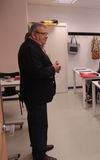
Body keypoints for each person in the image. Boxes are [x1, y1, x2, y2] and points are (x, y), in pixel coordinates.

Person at [18, 23, 61, 160]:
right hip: (34, 94)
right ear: (34, 34)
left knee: (37, 123)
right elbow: (37, 72)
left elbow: (38, 68)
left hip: (36, 94)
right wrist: (53, 68)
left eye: (47, 34)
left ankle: (39, 145)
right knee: (39, 124)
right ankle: (39, 154)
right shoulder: (30, 48)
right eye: (43, 33)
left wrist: (51, 67)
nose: (46, 36)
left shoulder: (33, 46)